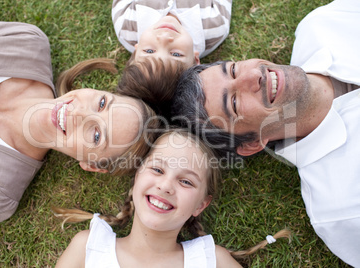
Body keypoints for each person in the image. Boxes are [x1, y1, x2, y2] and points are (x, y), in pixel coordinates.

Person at [170, 0, 360, 266]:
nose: (252, 75)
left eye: (233, 69)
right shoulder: (342, 209)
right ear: (251, 144)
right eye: (233, 103)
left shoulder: (323, 25)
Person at [0, 19, 159, 224]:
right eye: (101, 103)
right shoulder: (26, 43)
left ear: (91, 165)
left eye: (97, 135)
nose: (79, 113)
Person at [53, 130, 290, 267]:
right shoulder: (89, 247)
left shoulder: (211, 260)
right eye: (157, 170)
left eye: (186, 181)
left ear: (200, 205)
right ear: (137, 176)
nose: (166, 186)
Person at [112, 0, 232, 67]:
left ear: (136, 51)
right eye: (176, 54)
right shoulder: (215, 26)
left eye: (149, 51)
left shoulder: (126, 27)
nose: (164, 38)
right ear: (195, 60)